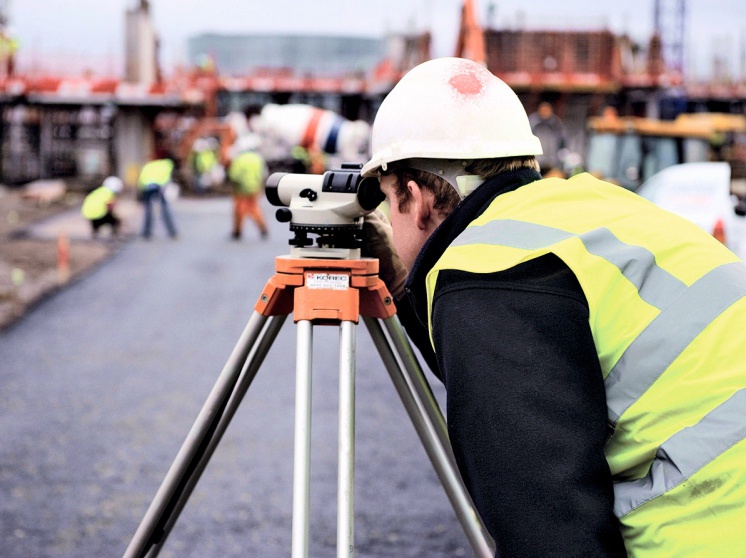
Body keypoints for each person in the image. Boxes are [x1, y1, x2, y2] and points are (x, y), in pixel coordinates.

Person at [361, 57, 746, 557]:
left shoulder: (487, 275)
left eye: (390, 200)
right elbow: (534, 379)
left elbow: (549, 531)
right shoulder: (586, 212)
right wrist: (403, 283)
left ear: (415, 197)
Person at [227, 134, 268, 240]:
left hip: (241, 189)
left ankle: (237, 231)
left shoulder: (239, 159)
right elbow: (263, 173)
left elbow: (234, 175)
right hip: (255, 188)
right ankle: (263, 228)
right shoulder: (258, 158)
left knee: (239, 210)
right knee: (254, 208)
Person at [137, 152, 178, 239]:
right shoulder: (168, 165)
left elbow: (141, 178)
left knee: (148, 211)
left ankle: (146, 233)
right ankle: (172, 232)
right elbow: (166, 180)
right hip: (158, 187)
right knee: (165, 210)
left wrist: (141, 191)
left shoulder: (151, 165)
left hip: (146, 187)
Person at [528, 101, 567, 176]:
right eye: (543, 109)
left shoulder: (556, 122)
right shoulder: (532, 122)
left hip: (551, 162)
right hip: (535, 161)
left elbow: (562, 141)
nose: (545, 112)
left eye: (547, 109)